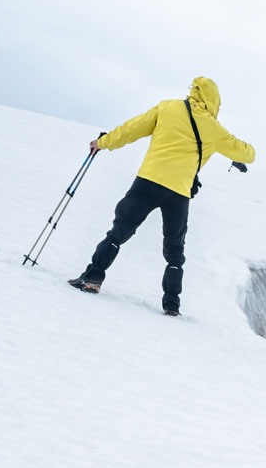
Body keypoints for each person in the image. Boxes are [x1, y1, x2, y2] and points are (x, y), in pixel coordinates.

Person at [69, 76, 255, 316]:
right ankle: (171, 305)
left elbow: (131, 130)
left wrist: (103, 142)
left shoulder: (167, 107)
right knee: (175, 251)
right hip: (178, 193)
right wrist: (239, 150)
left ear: (193, 91)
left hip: (147, 182)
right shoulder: (214, 129)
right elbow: (247, 154)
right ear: (214, 101)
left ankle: (92, 279)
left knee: (119, 232)